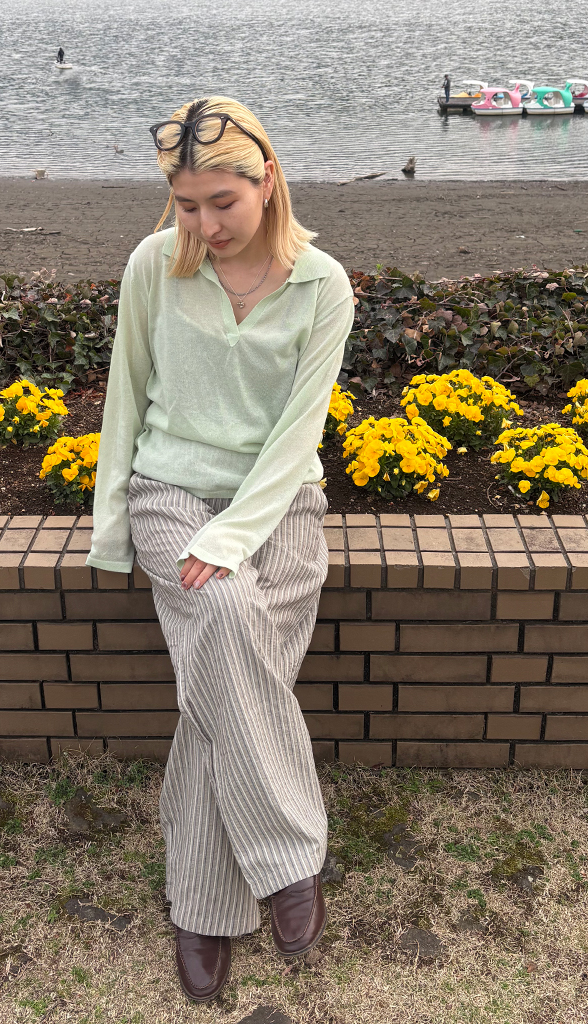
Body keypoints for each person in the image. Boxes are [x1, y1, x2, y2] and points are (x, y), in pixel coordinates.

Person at [85, 95, 355, 1003]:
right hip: (169, 493)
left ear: (267, 178)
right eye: (186, 204)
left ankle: (200, 907)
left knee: (218, 692)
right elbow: (126, 394)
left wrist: (238, 532)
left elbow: (299, 431)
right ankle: (290, 859)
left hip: (281, 506)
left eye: (222, 203)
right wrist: (113, 530)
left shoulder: (323, 285)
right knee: (230, 618)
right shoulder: (153, 265)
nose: (204, 225)